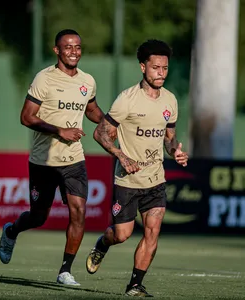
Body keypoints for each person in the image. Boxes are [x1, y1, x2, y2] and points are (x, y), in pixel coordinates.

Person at [0, 29, 104, 286]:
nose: (74, 51)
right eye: (68, 47)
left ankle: (65, 271)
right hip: (43, 161)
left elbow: (90, 109)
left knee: (78, 212)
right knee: (39, 216)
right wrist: (60, 131)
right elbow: (26, 117)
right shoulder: (44, 79)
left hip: (74, 160)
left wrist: (109, 122)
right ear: (57, 50)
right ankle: (11, 231)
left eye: (77, 47)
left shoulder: (87, 81)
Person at [85, 39, 188, 297]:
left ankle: (134, 285)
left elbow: (169, 137)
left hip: (156, 179)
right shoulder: (127, 100)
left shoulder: (170, 100)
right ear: (143, 67)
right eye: (155, 68)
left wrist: (175, 151)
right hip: (128, 181)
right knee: (122, 234)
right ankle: (102, 244)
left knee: (153, 231)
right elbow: (100, 134)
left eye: (165, 68)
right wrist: (121, 155)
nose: (161, 73)